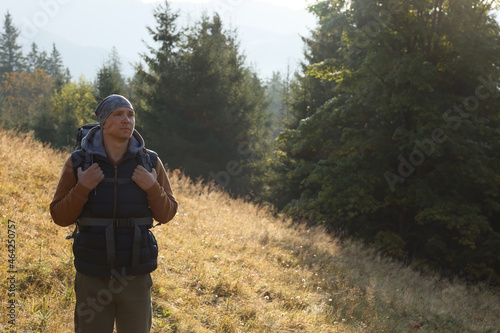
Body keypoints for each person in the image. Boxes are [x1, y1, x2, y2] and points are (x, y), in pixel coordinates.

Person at [50, 94, 178, 333]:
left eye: (130, 115)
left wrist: (152, 186)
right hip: (92, 274)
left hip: (136, 275)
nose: (126, 120)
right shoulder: (79, 162)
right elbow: (59, 216)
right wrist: (82, 187)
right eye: (117, 114)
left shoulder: (150, 161)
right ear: (103, 123)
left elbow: (168, 213)